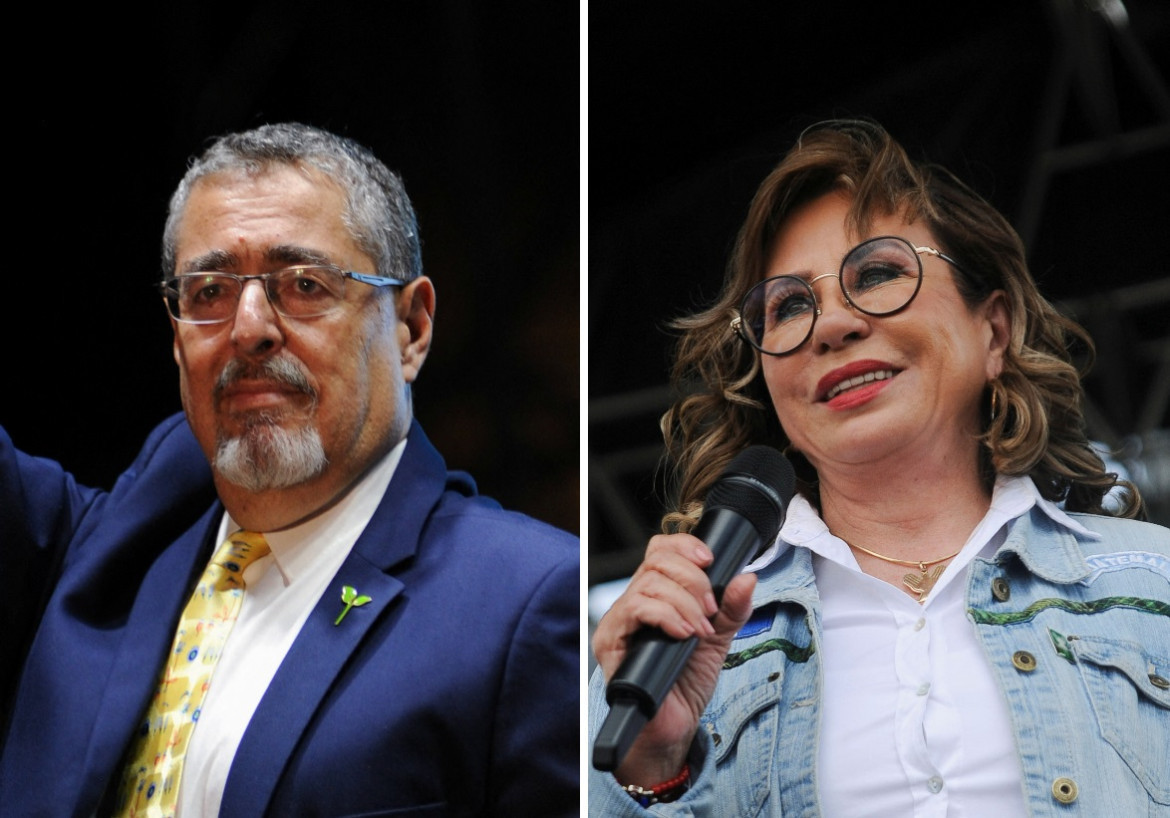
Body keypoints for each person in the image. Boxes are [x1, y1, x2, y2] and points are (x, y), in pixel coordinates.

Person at [589, 119, 1170, 816]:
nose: (832, 324)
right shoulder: (674, 640)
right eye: (789, 306)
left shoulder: (1155, 584)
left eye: (879, 273)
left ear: (994, 330)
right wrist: (654, 769)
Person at [0, 122, 579, 817]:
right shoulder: (120, 538)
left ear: (411, 328)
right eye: (209, 291)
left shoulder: (525, 599)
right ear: (176, 339)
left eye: (303, 284)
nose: (249, 327)